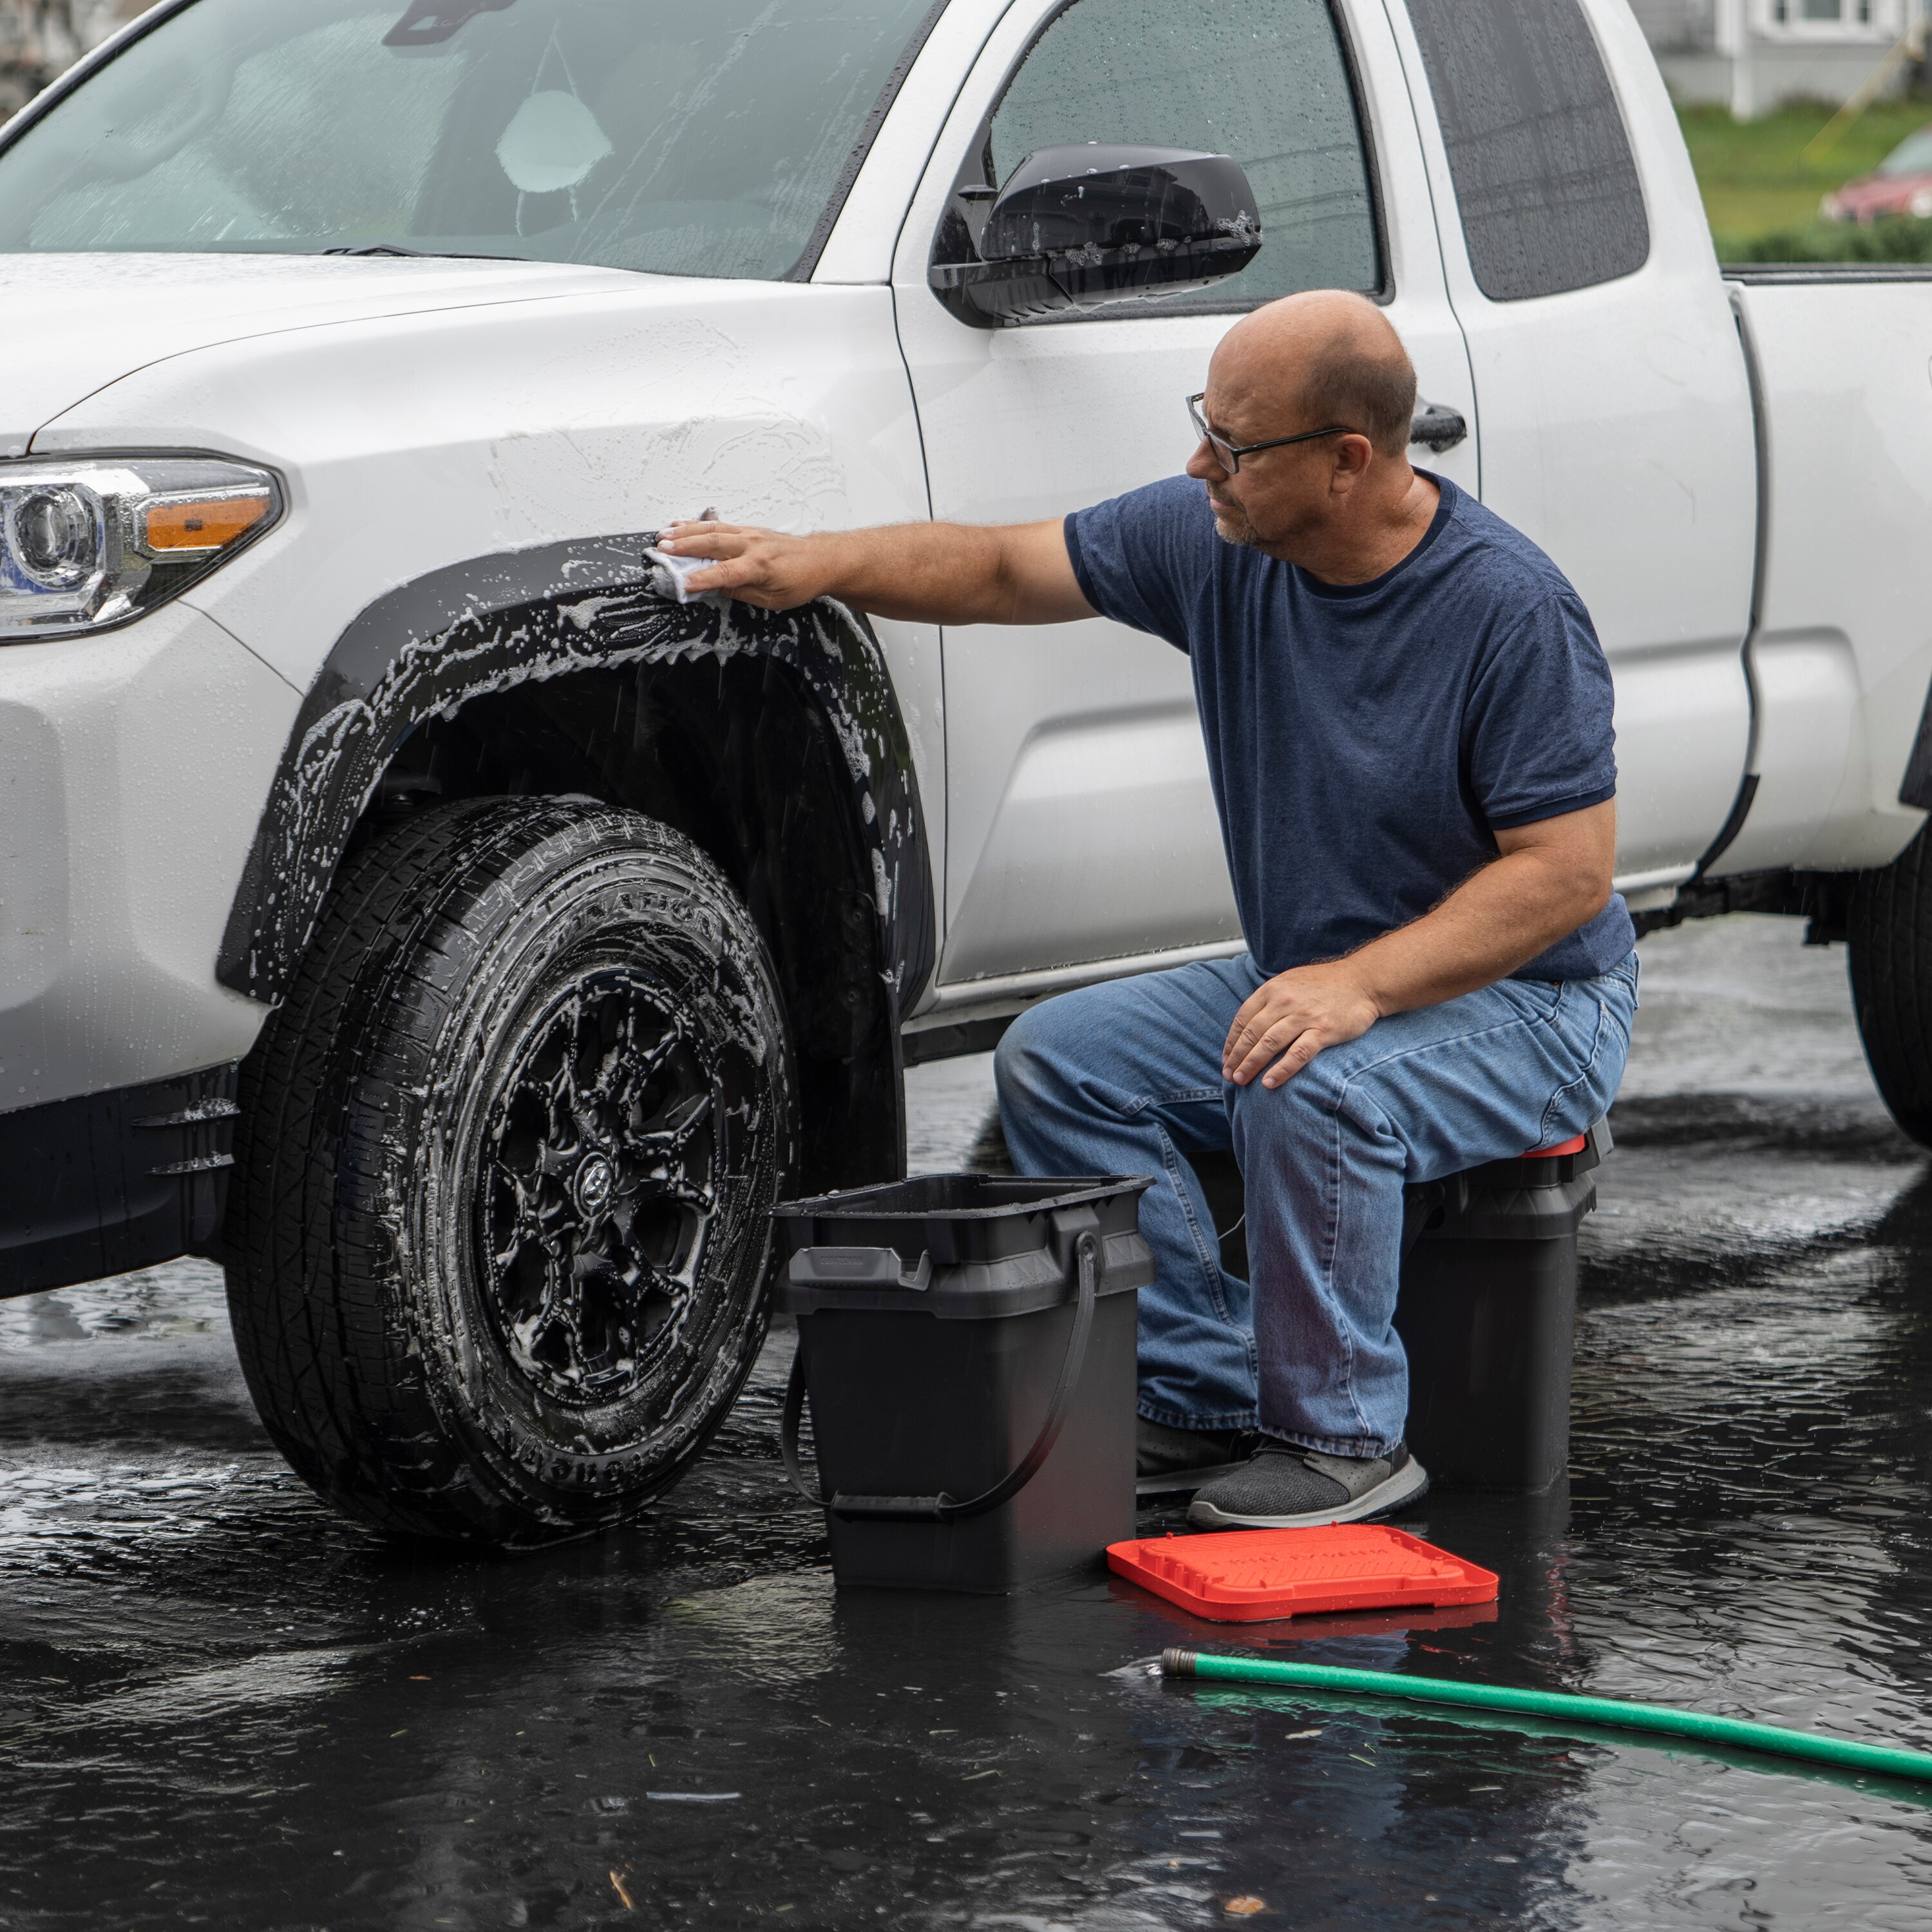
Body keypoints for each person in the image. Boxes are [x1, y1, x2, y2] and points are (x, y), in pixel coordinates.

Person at [658, 289, 1637, 1531]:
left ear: (1348, 461)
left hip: (1537, 1002)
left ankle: (1345, 1441)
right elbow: (1009, 565)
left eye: (1234, 446)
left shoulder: (1509, 610)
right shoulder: (1218, 539)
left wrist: (1358, 990)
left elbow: (1565, 874)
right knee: (1063, 1064)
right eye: (1202, 427)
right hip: (1324, 969)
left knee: (1315, 1083)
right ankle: (1211, 1389)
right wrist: (815, 564)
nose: (1199, 466)